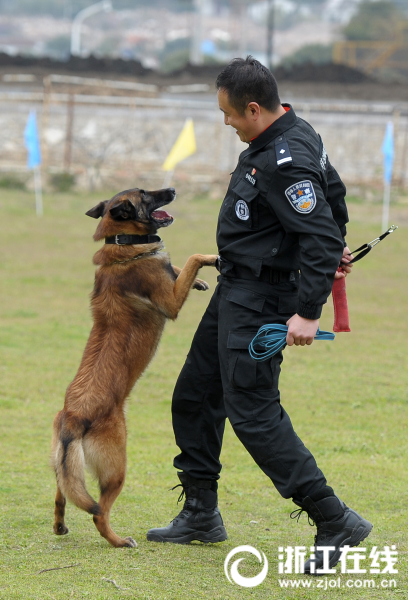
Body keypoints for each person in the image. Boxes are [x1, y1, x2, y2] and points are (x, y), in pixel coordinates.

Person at [147, 56, 372, 573]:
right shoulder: (287, 134)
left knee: (252, 411)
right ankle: (201, 513)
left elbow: (316, 225)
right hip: (236, 289)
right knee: (196, 394)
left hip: (263, 300)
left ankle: (334, 519)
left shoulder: (286, 157)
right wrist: (330, 242)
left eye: (228, 114)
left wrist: (309, 311)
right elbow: (331, 198)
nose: (225, 123)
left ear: (253, 108)